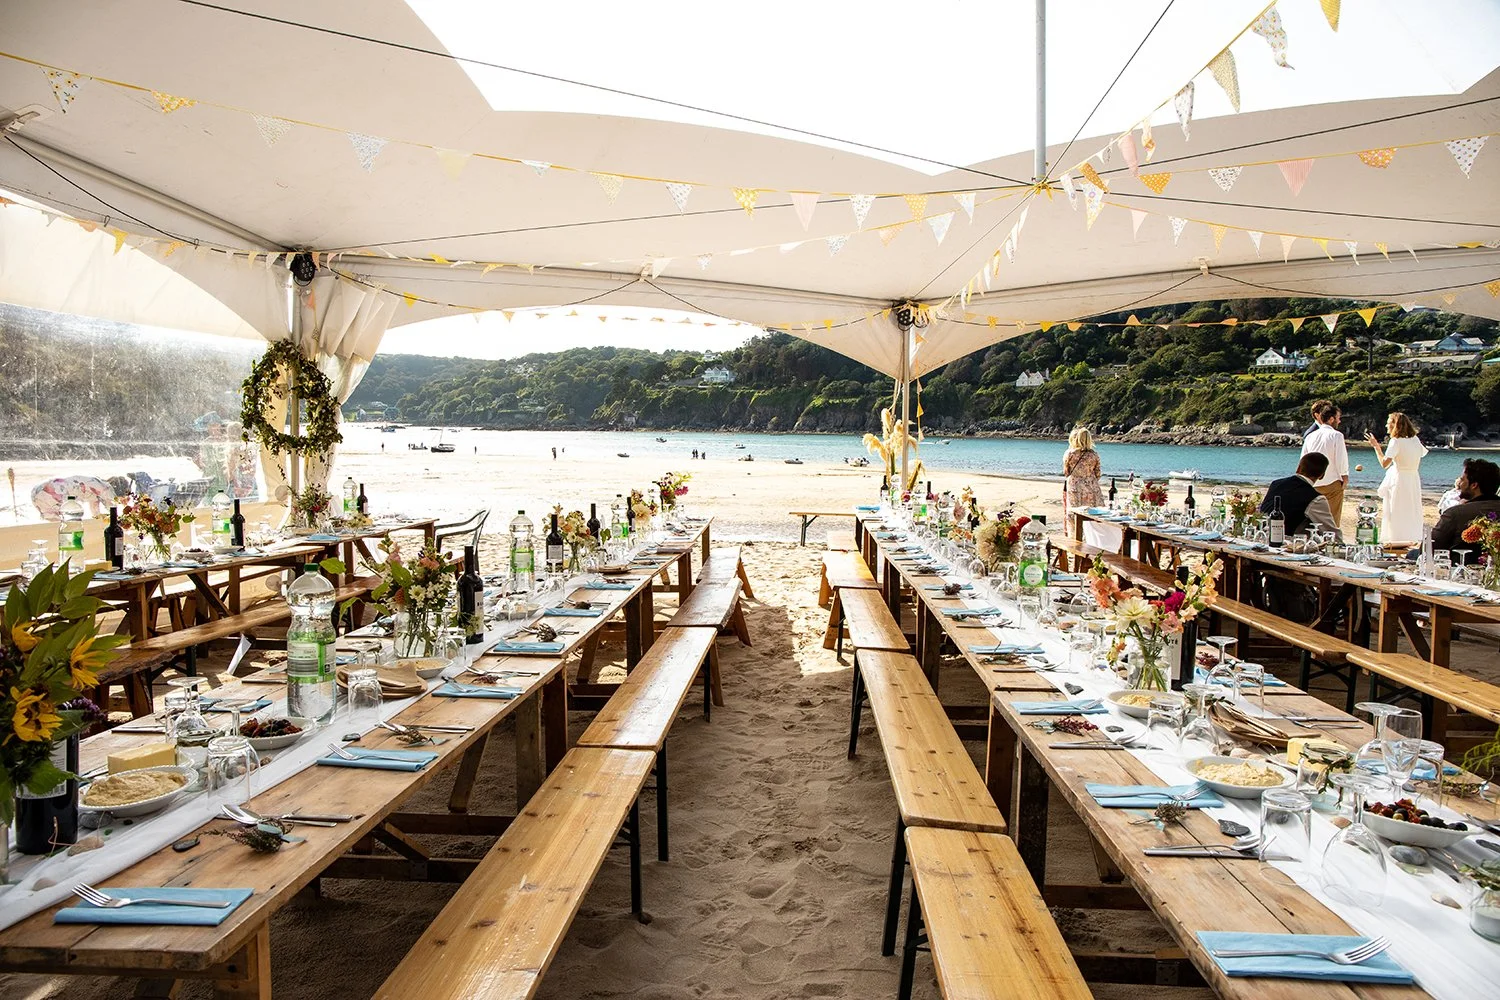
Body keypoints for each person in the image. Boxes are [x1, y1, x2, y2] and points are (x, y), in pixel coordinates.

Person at [1366, 412, 1427, 545]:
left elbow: (1384, 463)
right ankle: (1411, 538)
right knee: (1411, 509)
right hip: (1413, 478)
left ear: (1395, 425)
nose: (1386, 425)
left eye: (1389, 422)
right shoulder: (1415, 440)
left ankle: (1395, 540)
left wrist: (1376, 447)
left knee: (1396, 510)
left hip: (1399, 479)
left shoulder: (1396, 442)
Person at [1261, 452, 1341, 540]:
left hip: (1262, 536)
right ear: (1322, 475)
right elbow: (1332, 534)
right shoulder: (1316, 498)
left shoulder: (1276, 484)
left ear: (1298, 468)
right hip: (1286, 543)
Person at [1430, 458, 1500, 557]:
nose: (1460, 484)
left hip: (1457, 567)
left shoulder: (1455, 514)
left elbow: (1429, 549)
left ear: (1474, 485)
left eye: (1462, 480)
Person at [1301, 400, 1349, 526]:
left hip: (1313, 483)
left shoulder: (1310, 436)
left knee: (1314, 519)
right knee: (1333, 519)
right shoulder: (1337, 435)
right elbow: (1341, 459)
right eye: (1338, 418)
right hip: (1332, 483)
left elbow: (1303, 459)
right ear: (1331, 419)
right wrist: (1344, 477)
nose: (1339, 421)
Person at [1061, 425, 1104, 519]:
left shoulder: (1070, 453)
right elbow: (1098, 473)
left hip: (1074, 484)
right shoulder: (1094, 454)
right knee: (1094, 514)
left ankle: (1074, 533)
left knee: (1074, 514)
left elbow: (1066, 471)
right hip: (1091, 485)